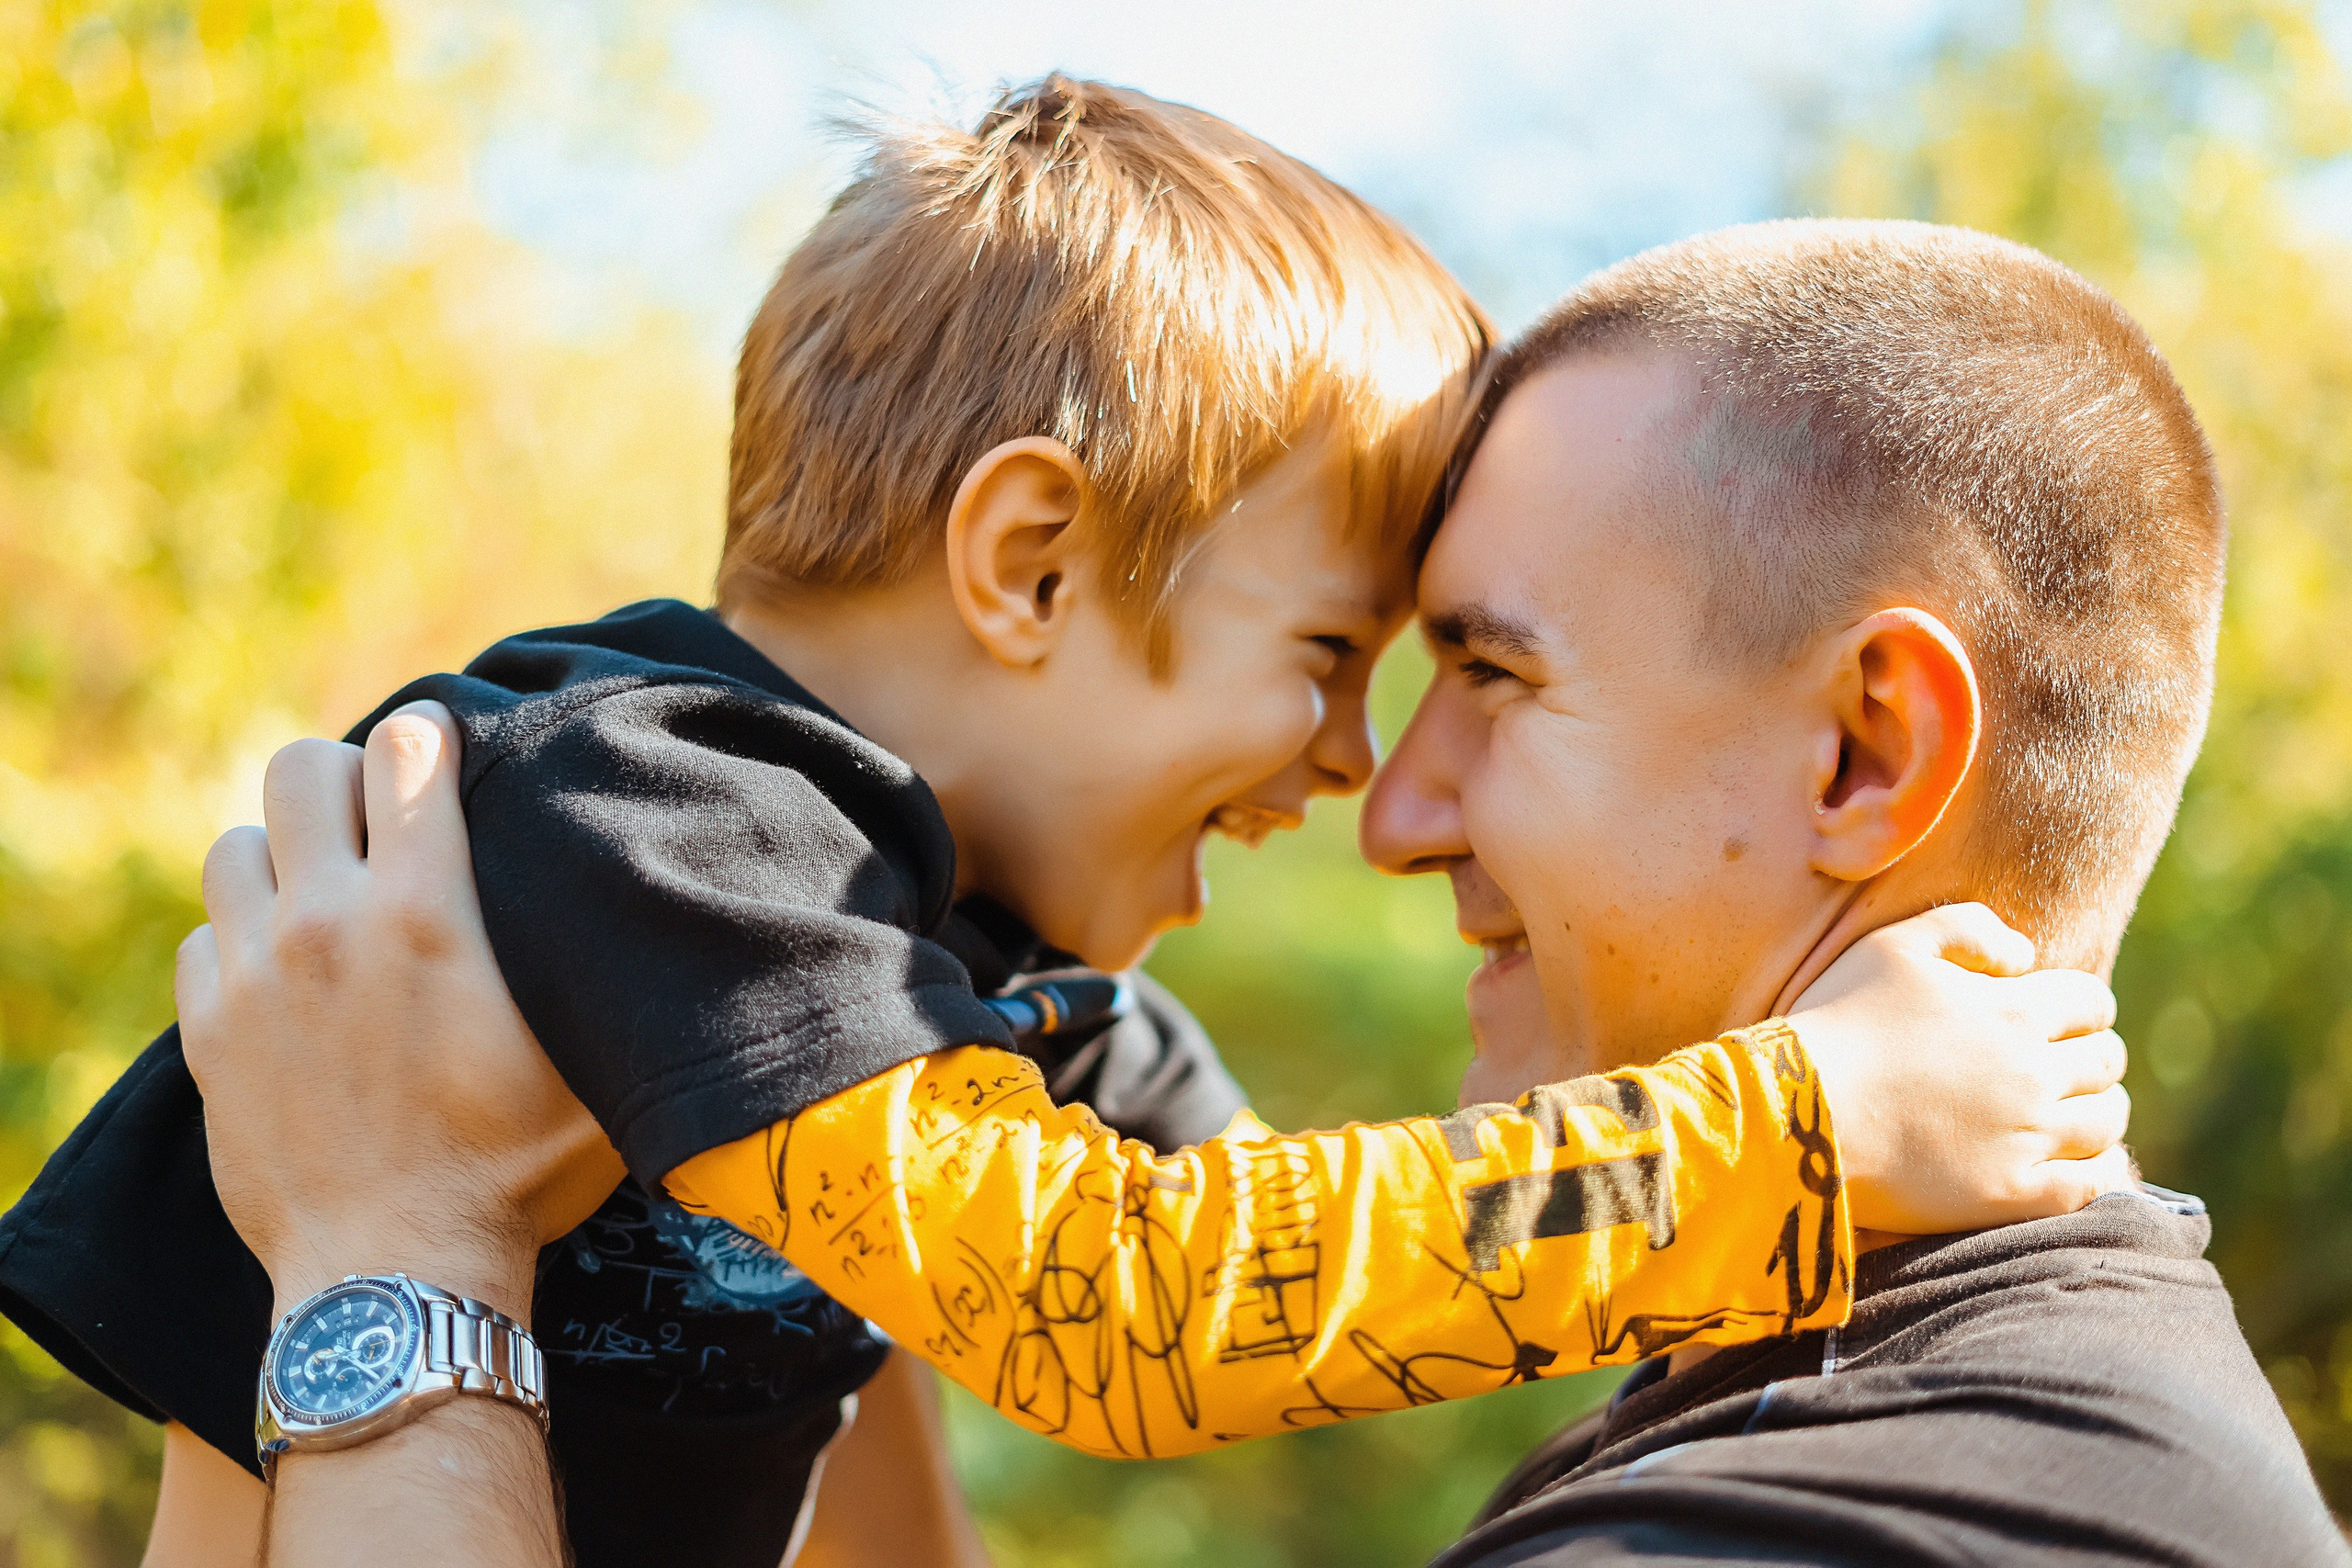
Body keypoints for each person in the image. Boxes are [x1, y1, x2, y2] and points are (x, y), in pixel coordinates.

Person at [55, 76, 2129, 1568]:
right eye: (1326, 648)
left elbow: (1307, 1261)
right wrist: (1804, 1123)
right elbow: (1124, 1316)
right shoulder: (646, 812)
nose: (1354, 765)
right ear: (1033, 560)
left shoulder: (994, 971)